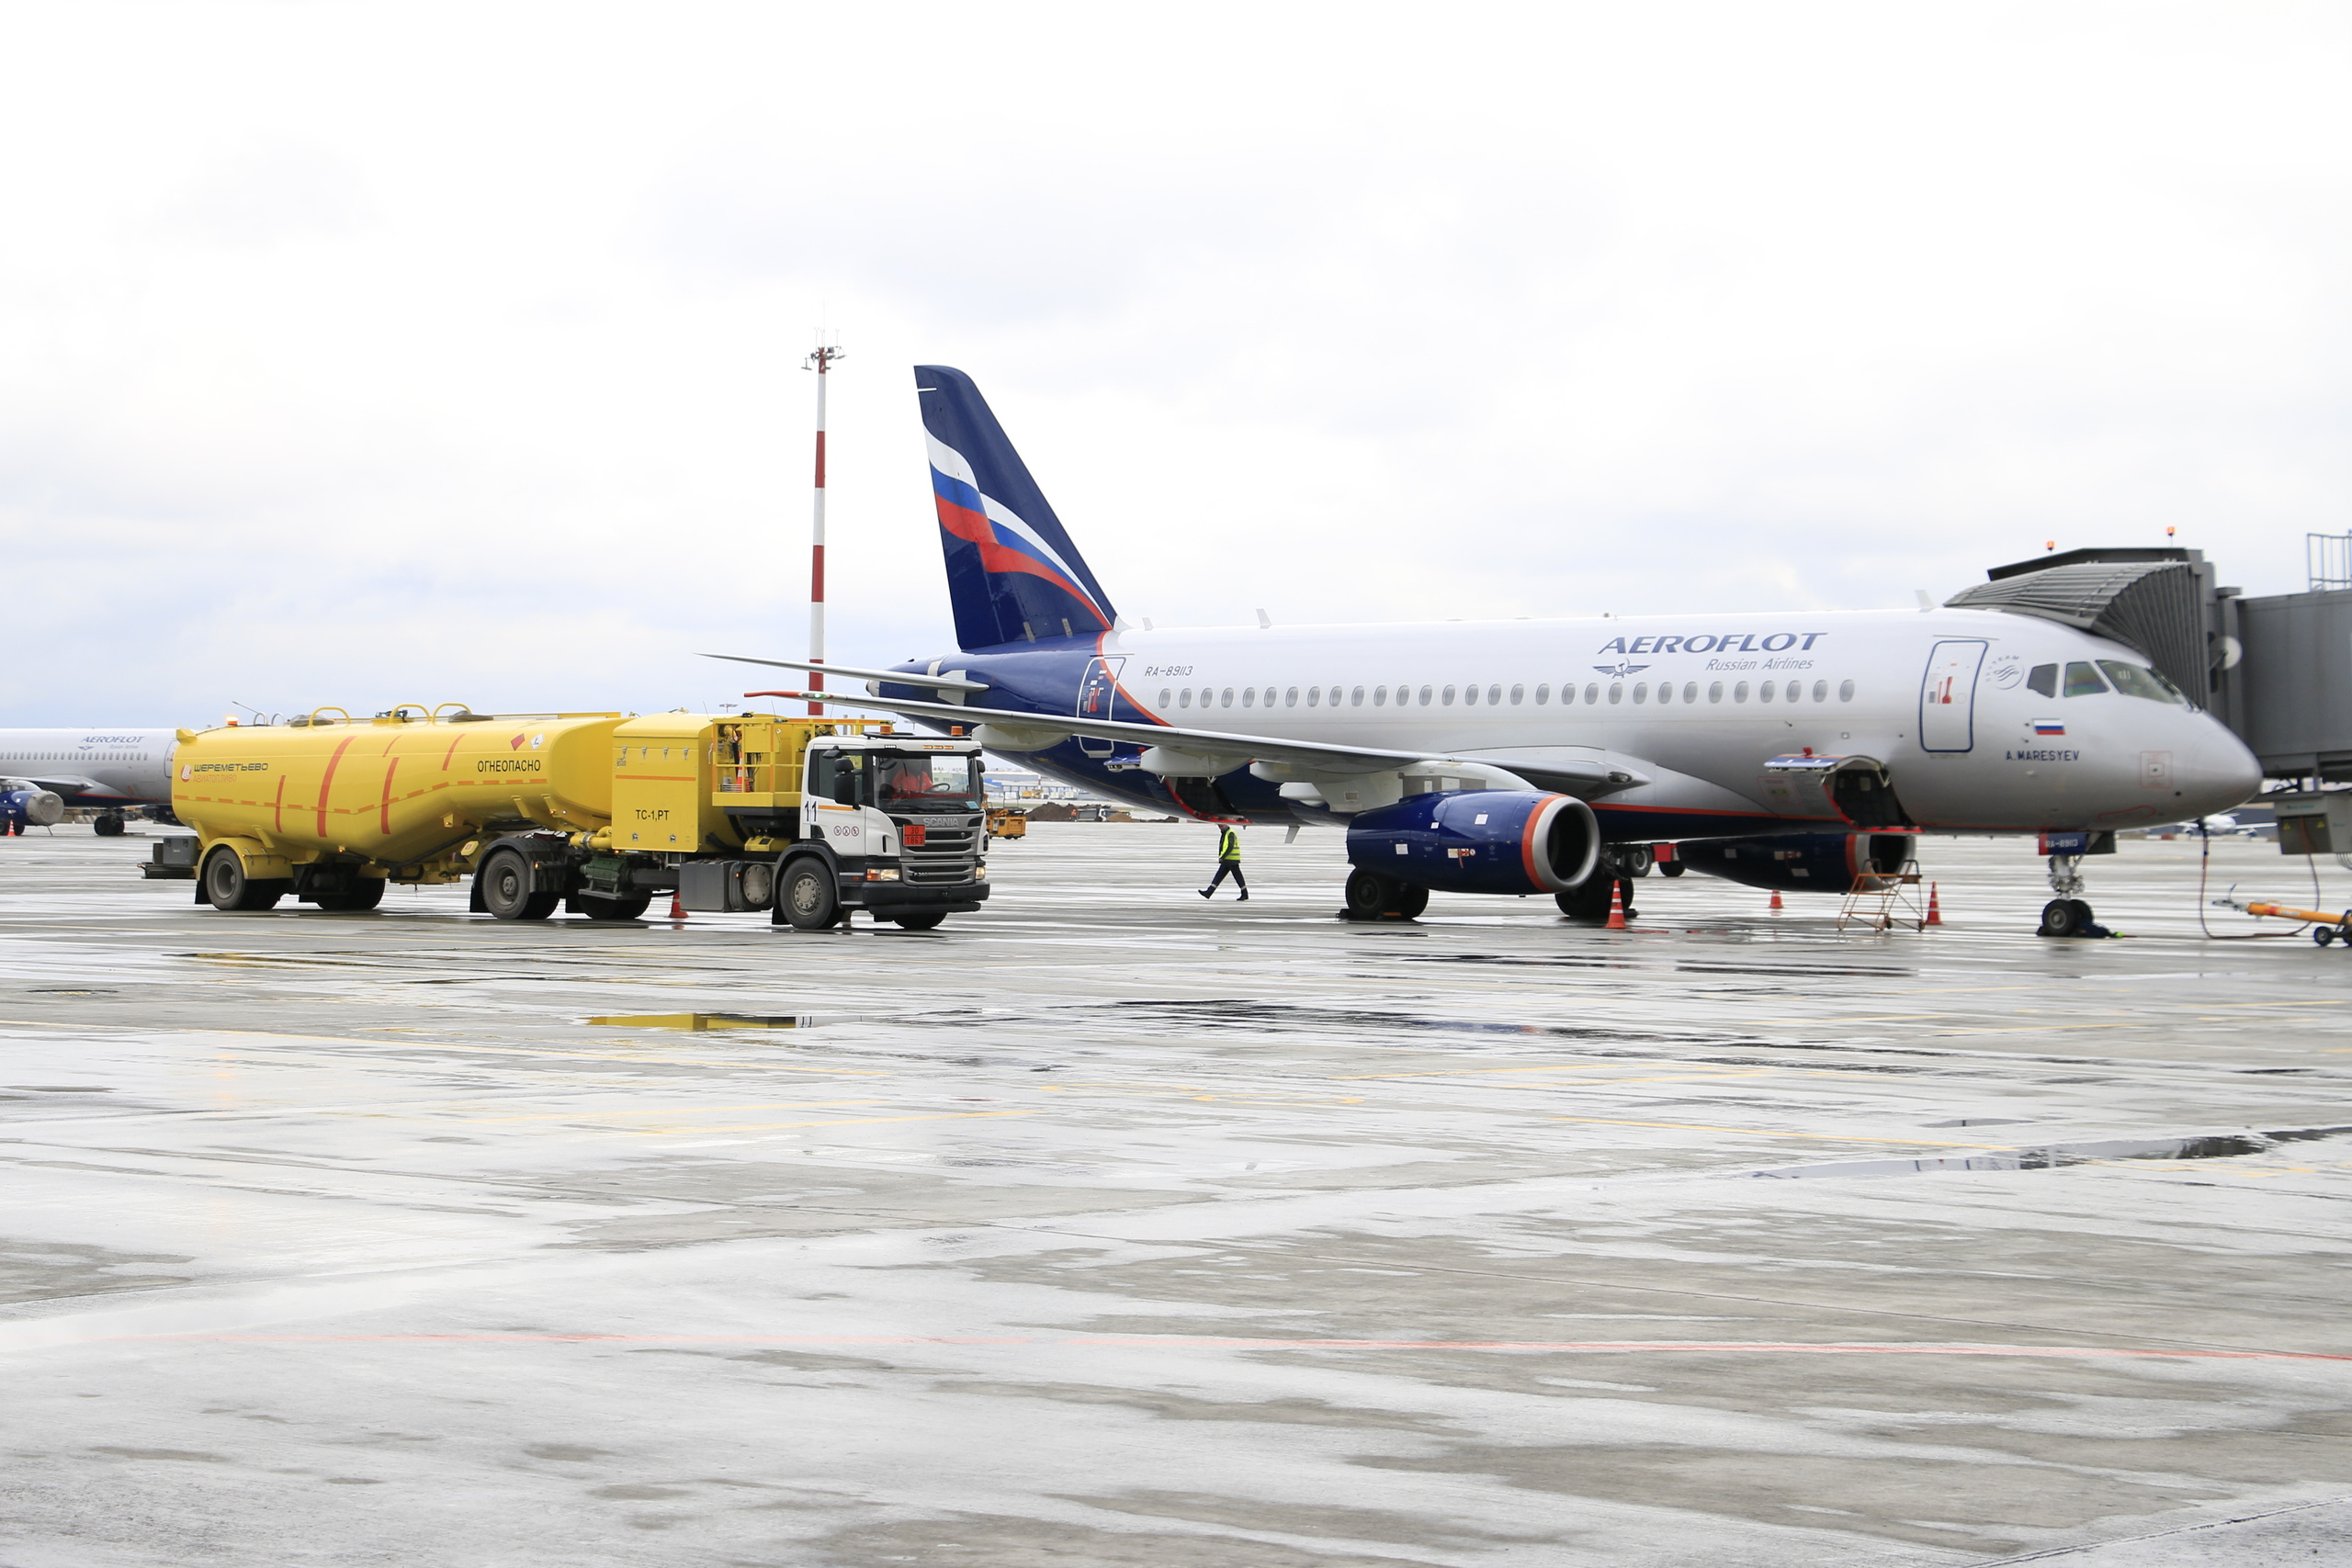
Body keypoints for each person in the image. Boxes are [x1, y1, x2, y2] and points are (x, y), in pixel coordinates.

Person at [1199, 821, 1247, 900]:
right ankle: (1209, 892)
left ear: (1226, 824)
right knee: (1220, 876)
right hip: (1228, 860)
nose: (1220, 826)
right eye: (1219, 825)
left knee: (1237, 877)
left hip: (1230, 859)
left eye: (1221, 824)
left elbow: (1229, 847)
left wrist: (1223, 856)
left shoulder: (1230, 833)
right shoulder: (1225, 833)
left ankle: (1244, 894)